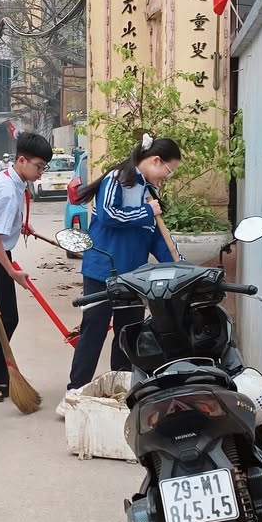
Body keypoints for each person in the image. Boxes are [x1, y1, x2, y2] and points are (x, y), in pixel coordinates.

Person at [66, 135, 182, 391]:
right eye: (169, 170)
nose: (167, 177)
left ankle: (121, 389)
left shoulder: (150, 192)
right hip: (102, 270)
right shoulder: (117, 179)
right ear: (156, 160)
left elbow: (156, 238)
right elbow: (109, 215)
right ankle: (76, 390)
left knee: (128, 333)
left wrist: (180, 266)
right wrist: (147, 211)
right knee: (94, 330)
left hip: (133, 276)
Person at [0, 131, 53, 402]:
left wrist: (19, 226)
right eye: (39, 166)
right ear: (22, 160)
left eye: (43, 167)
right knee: (4, 319)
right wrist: (12, 272)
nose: (40, 173)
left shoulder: (11, 179)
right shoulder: (8, 190)